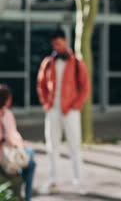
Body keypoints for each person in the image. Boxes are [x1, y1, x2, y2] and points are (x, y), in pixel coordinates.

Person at [36, 28, 90, 194]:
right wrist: (46, 104)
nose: (57, 47)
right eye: (54, 44)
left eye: (59, 43)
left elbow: (85, 87)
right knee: (52, 146)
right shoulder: (47, 63)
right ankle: (53, 181)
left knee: (75, 146)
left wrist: (76, 106)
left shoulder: (77, 63)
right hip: (53, 110)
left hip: (71, 111)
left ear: (65, 41)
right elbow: (41, 85)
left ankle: (79, 182)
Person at [0, 84, 36, 201]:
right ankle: (27, 196)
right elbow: (5, 138)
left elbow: (14, 133)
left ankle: (26, 194)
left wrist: (21, 143)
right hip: (4, 154)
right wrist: (15, 143)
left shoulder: (8, 114)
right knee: (30, 161)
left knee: (30, 157)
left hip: (12, 149)